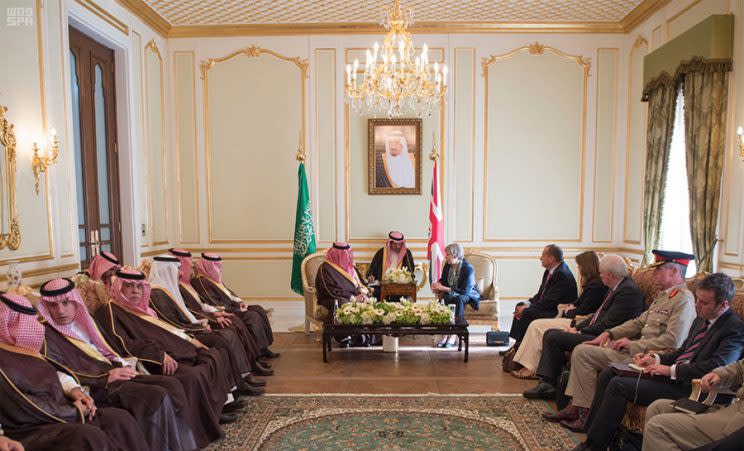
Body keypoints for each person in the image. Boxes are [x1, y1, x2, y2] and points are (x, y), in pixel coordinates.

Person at [570, 273, 744, 450]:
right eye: (697, 299)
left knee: (619, 385)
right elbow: (683, 351)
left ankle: (594, 445)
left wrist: (670, 371)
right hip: (673, 377)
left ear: (723, 305)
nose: (697, 306)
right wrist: (655, 358)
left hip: (690, 388)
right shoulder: (701, 319)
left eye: (704, 302)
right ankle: (593, 438)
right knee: (610, 371)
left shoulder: (734, 329)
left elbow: (717, 366)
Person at [37, 278, 197, 451]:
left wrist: (125, 365)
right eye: (54, 306)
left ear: (75, 302)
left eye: (66, 303)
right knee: (155, 395)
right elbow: (58, 371)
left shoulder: (84, 320)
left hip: (114, 371)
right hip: (95, 386)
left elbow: (106, 348)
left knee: (171, 384)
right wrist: (105, 377)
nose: (60, 311)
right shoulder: (45, 336)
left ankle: (182, 445)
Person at [555, 249, 697, 432]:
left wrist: (633, 345)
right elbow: (638, 322)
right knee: (582, 350)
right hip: (635, 352)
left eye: (658, 269)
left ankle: (584, 414)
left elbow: (673, 341)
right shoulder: (665, 296)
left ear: (674, 272)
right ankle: (579, 408)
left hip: (649, 358)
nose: (653, 273)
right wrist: (609, 333)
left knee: (583, 353)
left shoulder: (683, 300)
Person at [94, 268, 229, 447]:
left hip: (167, 352)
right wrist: (158, 354)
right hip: (148, 360)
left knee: (207, 357)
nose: (135, 291)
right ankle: (194, 433)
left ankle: (211, 418)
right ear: (118, 288)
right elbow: (122, 343)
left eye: (138, 287)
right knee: (191, 376)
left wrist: (189, 340)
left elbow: (165, 330)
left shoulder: (142, 309)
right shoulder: (110, 310)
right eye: (128, 286)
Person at [0, 293, 148, 451]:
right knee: (89, 436)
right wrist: (74, 410)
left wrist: (74, 390)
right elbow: (24, 404)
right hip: (32, 426)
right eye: (27, 321)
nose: (35, 325)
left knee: (119, 419)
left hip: (60, 408)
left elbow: (53, 372)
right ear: (9, 323)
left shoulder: (20, 348)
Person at [522, 254, 644, 397]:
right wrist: (577, 328)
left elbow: (607, 323)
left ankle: (548, 384)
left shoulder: (627, 292)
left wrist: (580, 332)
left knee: (553, 336)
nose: (600, 276)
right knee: (551, 333)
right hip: (596, 331)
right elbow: (596, 316)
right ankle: (548, 383)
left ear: (610, 275)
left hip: (603, 337)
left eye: (601, 274)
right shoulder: (616, 287)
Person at [148, 254, 267, 391]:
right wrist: (200, 326)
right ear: (167, 270)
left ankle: (243, 377)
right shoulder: (156, 294)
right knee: (224, 338)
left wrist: (204, 320)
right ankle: (235, 387)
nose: (181, 272)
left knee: (230, 330)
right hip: (184, 335)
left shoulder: (168, 289)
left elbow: (187, 311)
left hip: (194, 327)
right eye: (178, 269)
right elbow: (172, 323)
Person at [512, 251, 609, 379]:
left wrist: (570, 309)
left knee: (535, 323)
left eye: (579, 266)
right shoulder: (591, 283)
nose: (578, 269)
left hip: (576, 321)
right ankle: (524, 361)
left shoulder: (595, 286)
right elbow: (576, 303)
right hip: (568, 315)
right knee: (533, 321)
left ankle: (531, 367)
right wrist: (572, 307)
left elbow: (581, 310)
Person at [645, 355, 744, 451]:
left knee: (657, 427)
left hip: (738, 426)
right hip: (731, 409)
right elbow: (740, 368)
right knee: (657, 408)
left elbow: (718, 361)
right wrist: (719, 375)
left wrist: (671, 370)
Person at [190, 252, 279, 359]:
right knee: (252, 316)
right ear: (208, 266)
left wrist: (239, 302)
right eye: (217, 266)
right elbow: (214, 304)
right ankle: (257, 353)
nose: (220, 269)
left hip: (232, 307)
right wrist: (237, 308)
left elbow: (228, 293)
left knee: (258, 309)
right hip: (225, 311)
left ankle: (263, 348)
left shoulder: (212, 279)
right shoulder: (200, 282)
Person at [507, 244, 578, 350]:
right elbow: (541, 294)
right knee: (520, 305)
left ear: (552, 258)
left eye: (543, 255)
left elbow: (550, 301)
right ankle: (518, 344)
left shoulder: (561, 274)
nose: (540, 258)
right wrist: (527, 303)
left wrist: (527, 309)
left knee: (526, 313)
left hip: (555, 311)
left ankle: (521, 347)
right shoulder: (550, 270)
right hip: (548, 305)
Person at [314, 242, 370, 347]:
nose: (346, 257)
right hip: (331, 298)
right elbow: (329, 290)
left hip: (354, 296)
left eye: (348, 254)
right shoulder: (325, 268)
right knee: (342, 302)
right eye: (343, 254)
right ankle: (345, 337)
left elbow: (362, 282)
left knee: (370, 300)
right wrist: (352, 298)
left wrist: (363, 292)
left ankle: (368, 336)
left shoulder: (351, 268)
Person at [431, 242, 480, 348]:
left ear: (455, 255)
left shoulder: (468, 268)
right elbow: (443, 281)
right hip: (452, 292)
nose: (445, 256)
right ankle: (445, 334)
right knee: (446, 298)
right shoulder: (447, 266)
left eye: (447, 254)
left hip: (468, 293)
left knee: (459, 299)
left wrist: (444, 288)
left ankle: (454, 333)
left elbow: (464, 291)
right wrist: (438, 284)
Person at [365, 231, 415, 299]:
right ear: (390, 243)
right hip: (382, 286)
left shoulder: (407, 253)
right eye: (395, 244)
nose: (397, 246)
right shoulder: (381, 252)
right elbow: (372, 269)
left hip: (401, 287)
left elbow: (411, 271)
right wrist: (371, 277)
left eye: (400, 244)